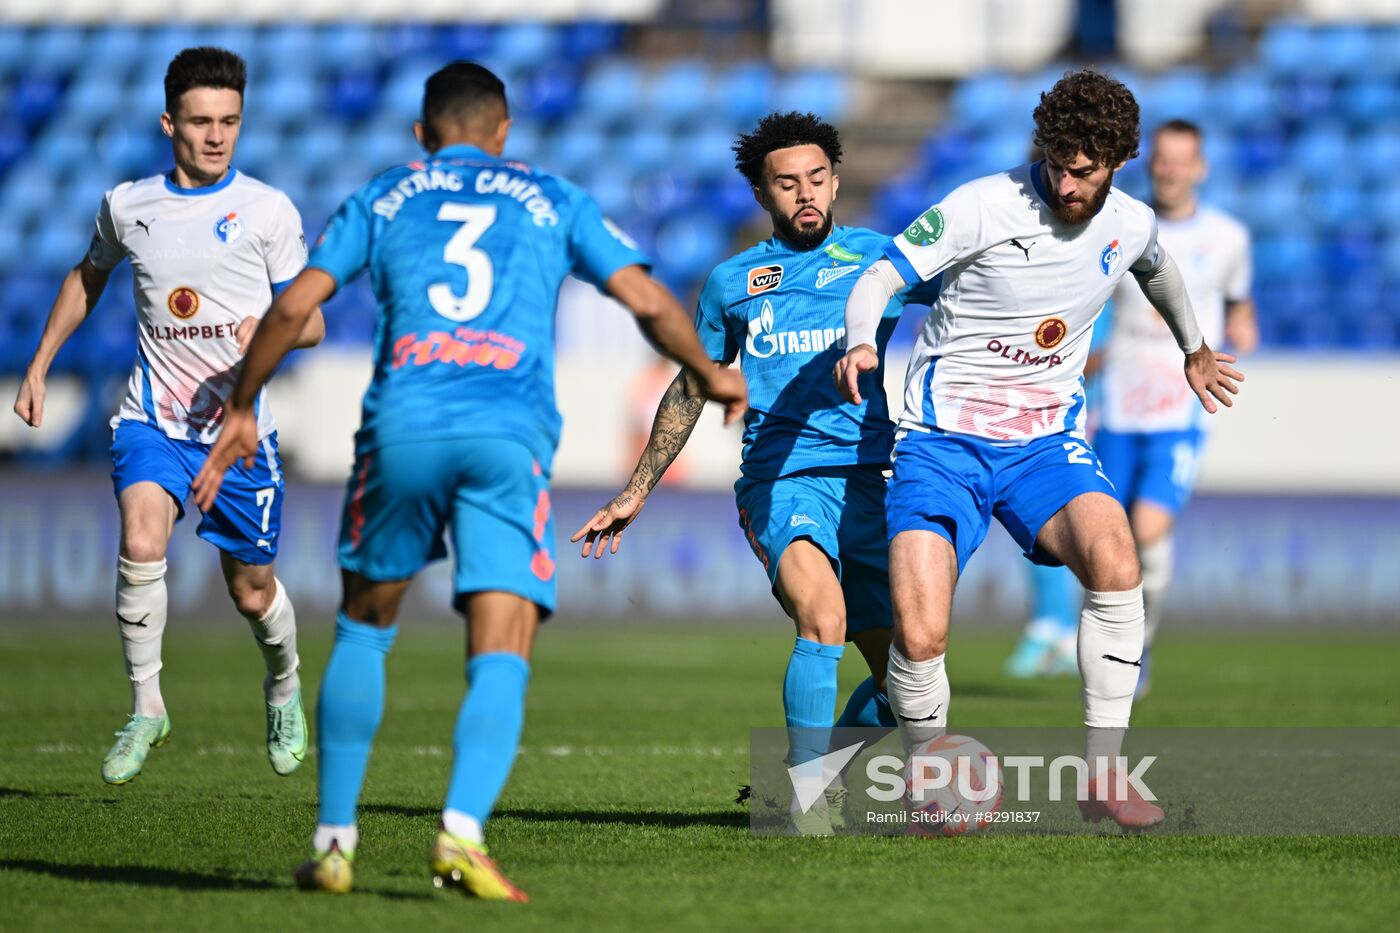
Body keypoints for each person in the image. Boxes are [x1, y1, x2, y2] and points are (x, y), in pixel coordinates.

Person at [192, 61, 746, 900]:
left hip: (402, 427)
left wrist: (240, 406)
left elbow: (291, 307)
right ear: (504, 131)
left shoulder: (384, 195)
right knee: (503, 639)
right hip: (505, 437)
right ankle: (460, 834)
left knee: (366, 625)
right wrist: (711, 368)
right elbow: (647, 301)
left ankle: (335, 842)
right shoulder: (553, 198)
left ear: (422, 135)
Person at [834, 69, 1244, 829]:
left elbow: (1158, 268)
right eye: (1055, 161)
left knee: (1117, 562)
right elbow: (879, 278)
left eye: (1082, 169)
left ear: (1117, 161)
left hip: (1045, 446)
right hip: (940, 445)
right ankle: (930, 768)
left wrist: (1195, 346)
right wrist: (863, 341)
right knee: (920, 633)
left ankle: (1103, 772)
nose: (1064, 180)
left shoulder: (1129, 221)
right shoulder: (980, 205)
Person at [573, 111, 938, 835]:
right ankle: (808, 806)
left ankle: (814, 767)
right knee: (821, 618)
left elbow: (975, 295)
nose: (804, 193)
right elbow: (690, 385)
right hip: (781, 478)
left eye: (815, 178)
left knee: (909, 676)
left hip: (873, 478)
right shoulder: (733, 282)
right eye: (785, 183)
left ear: (835, 181)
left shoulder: (880, 261)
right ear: (762, 193)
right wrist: (637, 487)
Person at [12, 47, 322, 785]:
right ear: (168, 123)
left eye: (229, 122)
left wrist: (271, 328)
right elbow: (87, 278)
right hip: (152, 418)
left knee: (249, 589)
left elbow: (310, 323)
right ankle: (147, 706)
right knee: (142, 537)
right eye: (200, 122)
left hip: (239, 430)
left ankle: (283, 684)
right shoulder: (129, 206)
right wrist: (40, 361)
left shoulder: (268, 210)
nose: (216, 137)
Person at [1094, 118, 1255, 698]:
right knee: (1109, 540)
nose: (1170, 169)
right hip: (1115, 405)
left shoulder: (1229, 237)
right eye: (1161, 159)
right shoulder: (1121, 225)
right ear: (1151, 163)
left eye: (1181, 160)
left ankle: (1139, 646)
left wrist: (1242, 325)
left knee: (1147, 528)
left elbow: (1239, 301)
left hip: (1178, 408)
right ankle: (1115, 644)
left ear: (1199, 168)